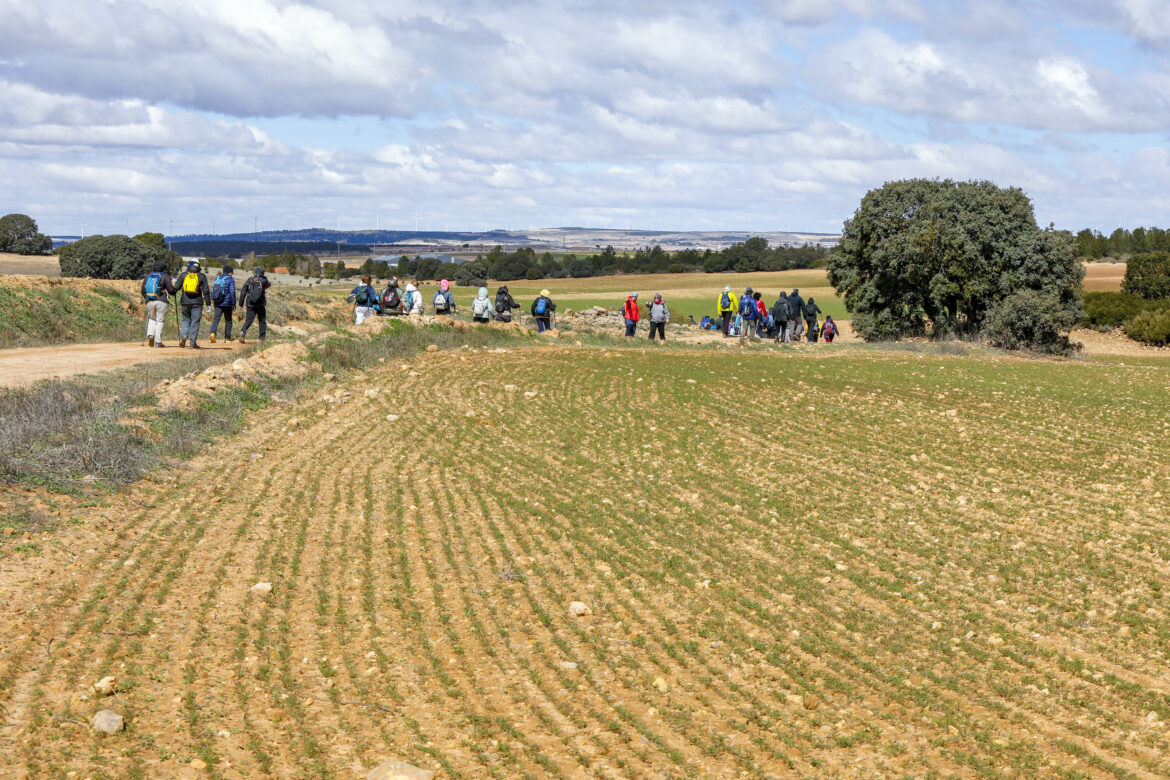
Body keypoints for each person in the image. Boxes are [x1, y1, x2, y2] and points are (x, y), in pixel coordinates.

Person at [174, 259, 211, 349]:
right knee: (195, 322)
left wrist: (171, 293)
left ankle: (183, 336)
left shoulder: (183, 275)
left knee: (186, 320)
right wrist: (208, 304)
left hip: (184, 302)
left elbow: (176, 287)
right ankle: (192, 343)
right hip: (197, 302)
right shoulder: (202, 276)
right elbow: (206, 291)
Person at [140, 258, 177, 348]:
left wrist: (147, 298)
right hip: (162, 301)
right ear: (163, 268)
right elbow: (171, 290)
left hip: (150, 301)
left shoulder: (148, 276)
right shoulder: (165, 276)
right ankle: (158, 342)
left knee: (152, 318)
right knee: (160, 320)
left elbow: (143, 290)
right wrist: (175, 291)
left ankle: (150, 335)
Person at [237, 266, 271, 344]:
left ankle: (242, 331)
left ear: (255, 272)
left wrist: (241, 304)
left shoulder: (250, 280)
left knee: (248, 320)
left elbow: (243, 292)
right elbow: (269, 285)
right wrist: (264, 278)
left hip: (250, 304)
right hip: (260, 304)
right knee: (262, 321)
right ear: (262, 273)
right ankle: (261, 338)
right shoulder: (263, 280)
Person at [208, 265, 237, 344]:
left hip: (217, 302)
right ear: (230, 272)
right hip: (227, 304)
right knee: (228, 321)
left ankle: (213, 333)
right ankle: (227, 338)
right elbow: (232, 292)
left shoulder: (218, 278)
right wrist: (234, 303)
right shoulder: (230, 279)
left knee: (216, 319)